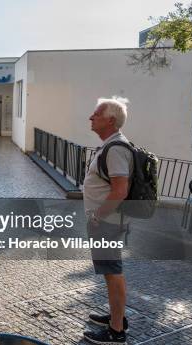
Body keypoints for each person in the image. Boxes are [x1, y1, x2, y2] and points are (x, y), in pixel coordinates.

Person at [82, 97, 133, 345]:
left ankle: (116, 331)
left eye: (96, 114)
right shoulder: (110, 146)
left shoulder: (116, 149)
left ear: (110, 120)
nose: (91, 118)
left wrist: (97, 216)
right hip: (106, 222)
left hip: (107, 223)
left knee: (113, 272)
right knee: (108, 271)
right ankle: (116, 316)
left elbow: (120, 190)